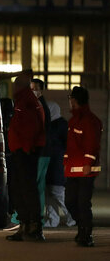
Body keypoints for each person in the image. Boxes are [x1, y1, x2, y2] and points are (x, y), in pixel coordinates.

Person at [6, 72, 46, 241]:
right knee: (20, 189)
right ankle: (26, 225)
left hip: (24, 152)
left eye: (16, 84)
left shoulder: (26, 101)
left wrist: (26, 148)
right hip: (22, 151)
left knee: (26, 189)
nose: (13, 87)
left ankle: (32, 226)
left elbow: (30, 127)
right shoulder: (25, 100)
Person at [64, 86, 102, 247]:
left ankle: (86, 234)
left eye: (71, 98)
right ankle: (82, 227)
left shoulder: (90, 120)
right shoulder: (74, 121)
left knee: (82, 203)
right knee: (70, 201)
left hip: (86, 171)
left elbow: (92, 144)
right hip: (73, 170)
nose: (70, 101)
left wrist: (88, 163)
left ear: (75, 100)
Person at [44, 102, 75, 228]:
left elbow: (68, 145)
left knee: (58, 193)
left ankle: (72, 218)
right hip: (50, 162)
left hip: (57, 163)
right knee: (49, 193)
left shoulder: (61, 124)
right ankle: (53, 220)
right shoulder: (49, 124)